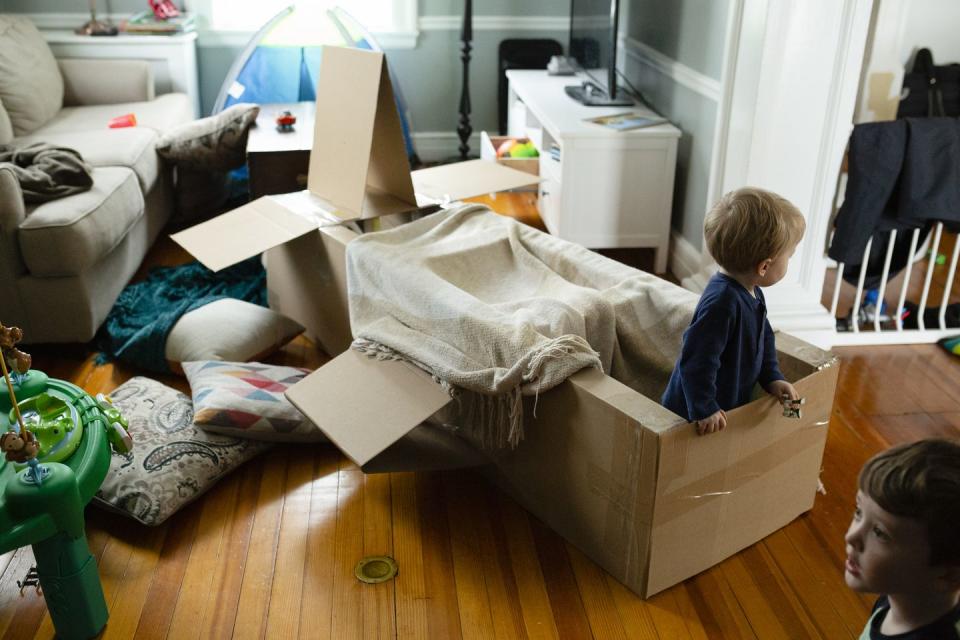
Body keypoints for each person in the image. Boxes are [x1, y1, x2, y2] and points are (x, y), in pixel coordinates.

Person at [661, 187, 805, 434]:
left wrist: (772, 376)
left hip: (728, 405)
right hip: (692, 416)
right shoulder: (722, 303)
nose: (790, 261)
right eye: (789, 256)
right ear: (764, 266)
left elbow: (764, 337)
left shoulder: (752, 291)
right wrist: (705, 407)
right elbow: (695, 361)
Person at [845, 439, 960, 639]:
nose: (851, 536)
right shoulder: (899, 593)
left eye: (880, 533)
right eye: (858, 512)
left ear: (947, 575)